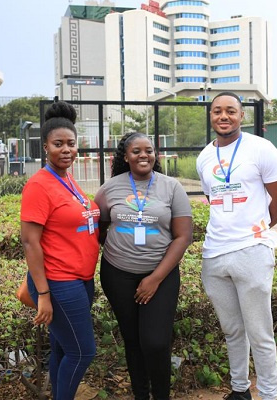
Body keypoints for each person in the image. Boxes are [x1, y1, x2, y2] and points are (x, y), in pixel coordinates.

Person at [196, 92, 277, 400]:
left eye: (231, 111)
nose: (223, 117)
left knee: (259, 332)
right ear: (211, 116)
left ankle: (268, 394)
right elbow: (215, 201)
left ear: (241, 115)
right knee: (232, 330)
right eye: (217, 111)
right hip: (214, 254)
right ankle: (240, 390)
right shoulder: (204, 158)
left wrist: (259, 228)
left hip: (252, 251)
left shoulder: (261, 149)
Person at [94, 132, 193, 400]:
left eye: (148, 150)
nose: (143, 155)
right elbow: (100, 229)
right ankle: (141, 396)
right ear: (125, 156)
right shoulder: (109, 188)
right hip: (117, 275)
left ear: (155, 155)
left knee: (156, 342)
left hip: (161, 276)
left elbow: (183, 236)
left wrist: (155, 278)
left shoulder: (172, 187)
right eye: (136, 151)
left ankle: (161, 396)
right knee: (133, 341)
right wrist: (123, 250)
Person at [20, 100, 100, 400]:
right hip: (58, 282)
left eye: (71, 143)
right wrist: (43, 294)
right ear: (45, 147)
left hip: (80, 280)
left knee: (64, 348)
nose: (66, 150)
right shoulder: (39, 185)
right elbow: (30, 241)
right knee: (82, 353)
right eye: (58, 144)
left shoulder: (67, 179)